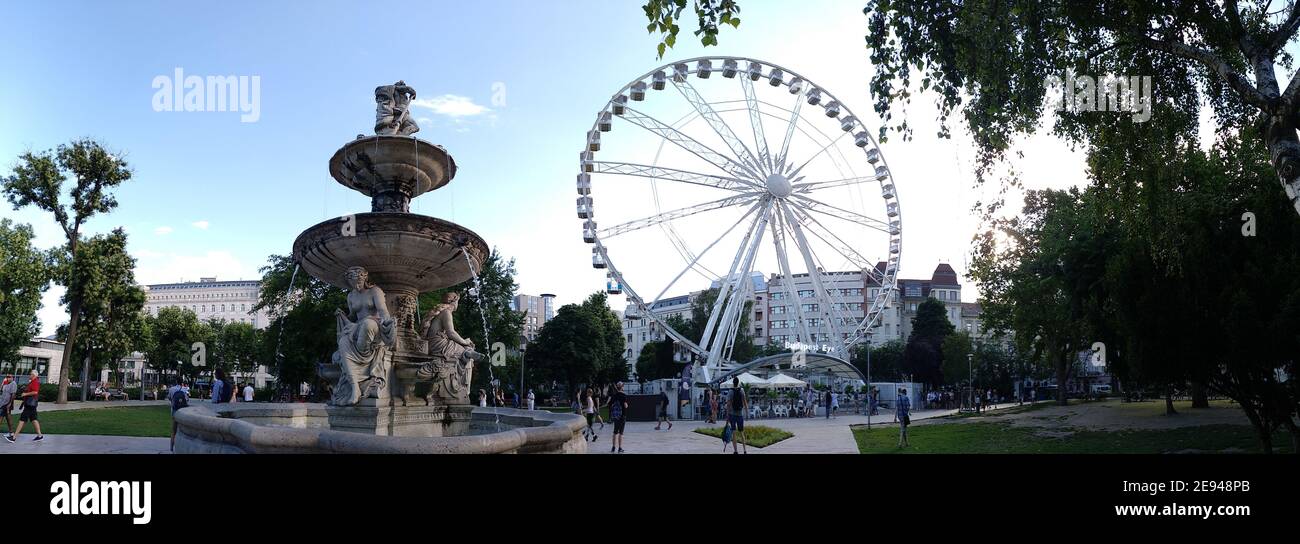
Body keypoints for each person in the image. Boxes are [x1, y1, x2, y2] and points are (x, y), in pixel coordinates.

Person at [6, 369, 44, 443]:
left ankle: (14, 437)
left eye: (30, 374)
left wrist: (25, 394)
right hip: (30, 404)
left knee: (22, 420)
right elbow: (31, 390)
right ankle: (40, 436)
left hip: (30, 404)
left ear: (33, 375)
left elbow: (35, 392)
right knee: (34, 419)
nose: (29, 375)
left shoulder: (35, 382)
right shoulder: (33, 382)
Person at [167, 378, 190, 452]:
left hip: (174, 411)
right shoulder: (184, 389)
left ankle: (171, 447)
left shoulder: (171, 389)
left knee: (173, 430)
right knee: (183, 431)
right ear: (182, 382)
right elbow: (187, 400)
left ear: (176, 381)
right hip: (182, 412)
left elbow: (169, 398)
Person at [727, 378, 747, 454]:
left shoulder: (730, 391)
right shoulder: (742, 390)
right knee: (742, 432)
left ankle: (736, 451)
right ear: (738, 383)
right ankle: (745, 450)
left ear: (733, 383)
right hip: (740, 414)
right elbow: (745, 402)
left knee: (734, 433)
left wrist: (727, 415)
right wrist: (747, 412)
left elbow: (728, 404)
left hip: (732, 414)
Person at [608, 382, 628, 454]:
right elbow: (625, 406)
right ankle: (620, 448)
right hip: (622, 416)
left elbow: (609, 404)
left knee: (615, 431)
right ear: (622, 387)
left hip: (616, 416)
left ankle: (613, 447)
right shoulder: (624, 395)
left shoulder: (614, 395)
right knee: (621, 433)